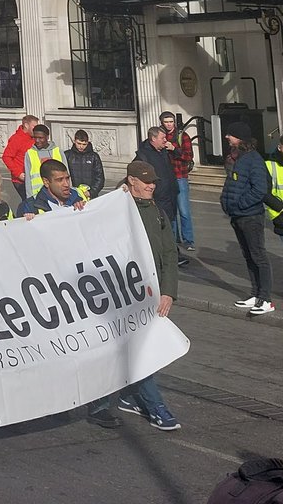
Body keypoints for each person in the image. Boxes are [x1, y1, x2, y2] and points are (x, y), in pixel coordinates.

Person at [114, 160, 181, 430]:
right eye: (146, 182)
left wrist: (168, 292)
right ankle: (157, 408)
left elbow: (169, 253)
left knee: (143, 348)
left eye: (154, 182)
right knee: (138, 351)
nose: (151, 186)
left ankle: (128, 396)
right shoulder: (115, 209)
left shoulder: (155, 211)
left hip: (152, 294)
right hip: (123, 296)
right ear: (131, 181)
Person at [219, 122, 274, 315]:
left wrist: (239, 204)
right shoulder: (236, 157)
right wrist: (226, 204)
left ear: (240, 137)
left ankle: (265, 298)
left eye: (230, 135)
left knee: (258, 256)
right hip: (237, 216)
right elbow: (231, 184)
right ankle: (255, 293)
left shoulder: (252, 159)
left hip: (251, 216)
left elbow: (260, 189)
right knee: (248, 256)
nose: (227, 137)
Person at [160, 111, 195, 251]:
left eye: (171, 121)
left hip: (180, 176)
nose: (169, 124)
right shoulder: (159, 136)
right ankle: (173, 238)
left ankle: (188, 240)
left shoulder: (182, 136)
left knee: (184, 210)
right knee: (171, 210)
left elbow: (188, 156)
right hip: (166, 177)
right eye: (166, 122)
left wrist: (174, 149)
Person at [135, 127, 179, 230]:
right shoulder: (143, 155)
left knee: (171, 224)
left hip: (170, 195)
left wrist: (174, 150)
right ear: (153, 139)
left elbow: (183, 157)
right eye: (162, 138)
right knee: (162, 227)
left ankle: (174, 244)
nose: (165, 140)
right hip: (157, 197)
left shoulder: (164, 151)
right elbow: (134, 172)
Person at [17, 159, 87, 216]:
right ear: (46, 182)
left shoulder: (79, 196)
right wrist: (27, 222)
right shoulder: (29, 207)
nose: (66, 184)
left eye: (67, 178)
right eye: (60, 180)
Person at [2, 115, 39, 200]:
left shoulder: (33, 138)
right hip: (21, 180)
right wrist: (18, 174)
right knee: (28, 202)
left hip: (33, 178)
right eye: (34, 126)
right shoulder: (16, 139)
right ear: (26, 125)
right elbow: (6, 157)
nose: (36, 129)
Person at [23, 126, 64, 198]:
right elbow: (28, 179)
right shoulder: (29, 153)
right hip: (38, 196)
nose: (37, 140)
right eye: (35, 137)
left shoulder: (58, 151)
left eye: (40, 138)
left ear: (47, 137)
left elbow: (66, 174)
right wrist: (29, 198)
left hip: (58, 193)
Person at [65, 129, 105, 199]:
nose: (81, 146)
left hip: (90, 195)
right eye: (79, 143)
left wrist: (91, 192)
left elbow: (99, 177)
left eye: (84, 144)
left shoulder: (94, 156)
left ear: (88, 143)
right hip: (72, 194)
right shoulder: (67, 155)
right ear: (74, 141)